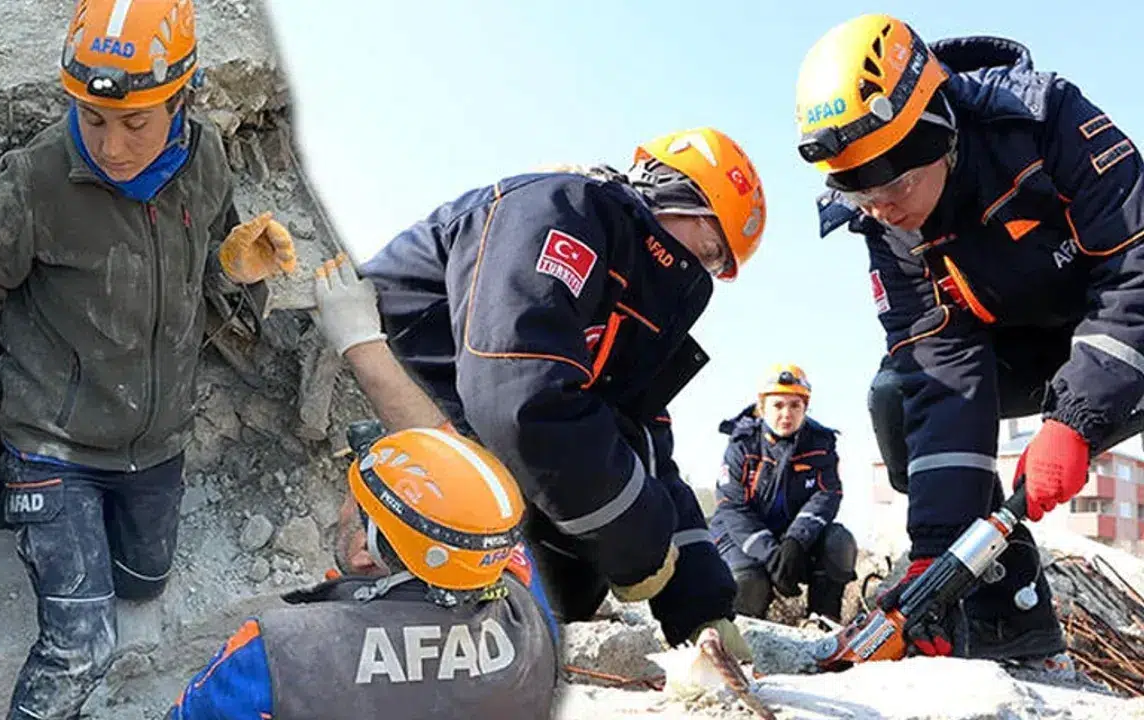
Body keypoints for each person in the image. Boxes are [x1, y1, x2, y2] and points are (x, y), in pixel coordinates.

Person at [0, 1, 297, 716]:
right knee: (82, 646)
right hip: (54, 444)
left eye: (136, 122)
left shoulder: (207, 162)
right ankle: (24, 522)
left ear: (181, 97)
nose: (112, 144)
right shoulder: (38, 182)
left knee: (143, 583)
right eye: (93, 118)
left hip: (154, 440)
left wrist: (229, 263)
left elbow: (195, 272)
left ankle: (62, 548)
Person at [792, 13, 1144, 662]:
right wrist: (937, 552)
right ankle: (1010, 616)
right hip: (1026, 351)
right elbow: (940, 364)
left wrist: (1078, 415)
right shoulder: (885, 224)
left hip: (1120, 332)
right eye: (861, 198)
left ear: (938, 133)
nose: (884, 211)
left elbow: (1135, 269)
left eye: (894, 186)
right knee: (899, 395)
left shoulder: (1049, 121)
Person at [358, 128, 768, 652]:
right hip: (389, 403)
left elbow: (646, 446)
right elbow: (515, 393)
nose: (703, 272)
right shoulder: (556, 210)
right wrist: (637, 541)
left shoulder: (633, 313)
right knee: (585, 525)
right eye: (710, 250)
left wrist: (702, 609)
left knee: (570, 580)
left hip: (468, 439)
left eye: (716, 267)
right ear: (671, 197)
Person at [166, 257, 559, 719]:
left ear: (364, 553)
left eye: (355, 498)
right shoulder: (526, 621)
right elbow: (463, 480)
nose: (344, 503)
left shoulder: (279, 656)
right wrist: (361, 343)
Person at [710, 364, 856, 623]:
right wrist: (771, 554)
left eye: (795, 405)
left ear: (805, 408)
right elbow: (732, 507)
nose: (786, 414)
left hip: (793, 538)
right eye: (778, 405)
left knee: (839, 543)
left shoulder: (821, 444)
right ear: (762, 407)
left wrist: (796, 542)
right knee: (748, 583)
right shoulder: (741, 445)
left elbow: (827, 494)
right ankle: (747, 641)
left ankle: (823, 624)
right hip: (742, 538)